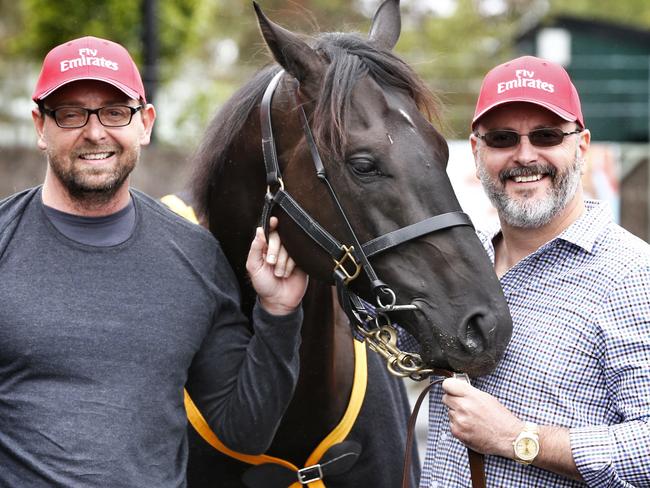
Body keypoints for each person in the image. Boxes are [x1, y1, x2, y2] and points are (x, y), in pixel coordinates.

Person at [0, 36, 308, 487]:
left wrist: (279, 313)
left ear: (144, 123)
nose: (94, 132)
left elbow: (245, 431)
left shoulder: (196, 258)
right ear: (39, 127)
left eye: (115, 112)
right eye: (69, 113)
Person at [419, 56, 650, 487]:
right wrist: (281, 304)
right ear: (476, 151)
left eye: (545, 136)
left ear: (580, 146)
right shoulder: (460, 264)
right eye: (503, 139)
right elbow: (382, 329)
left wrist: (519, 439)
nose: (525, 156)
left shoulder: (633, 276)